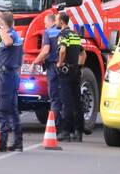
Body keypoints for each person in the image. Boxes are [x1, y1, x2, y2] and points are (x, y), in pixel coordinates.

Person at [0, 11, 24, 152]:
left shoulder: (9, 34)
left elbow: (7, 42)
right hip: (11, 75)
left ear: (2, 22)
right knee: (12, 110)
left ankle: (2, 142)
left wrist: (0, 29)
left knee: (1, 109)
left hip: (5, 77)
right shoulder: (15, 34)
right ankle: (18, 142)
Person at [56, 12, 85, 141]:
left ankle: (66, 131)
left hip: (66, 72)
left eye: (57, 20)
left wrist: (59, 63)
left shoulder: (63, 34)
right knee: (77, 102)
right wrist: (79, 66)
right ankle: (78, 132)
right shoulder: (75, 35)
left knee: (66, 102)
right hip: (76, 72)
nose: (56, 23)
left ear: (62, 22)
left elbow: (62, 50)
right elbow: (83, 54)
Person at [31, 13, 63, 126]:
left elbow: (45, 51)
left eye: (46, 23)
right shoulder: (64, 32)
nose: (45, 26)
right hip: (65, 67)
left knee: (54, 98)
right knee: (64, 96)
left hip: (53, 67)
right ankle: (68, 128)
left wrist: (35, 62)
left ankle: (56, 126)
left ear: (52, 21)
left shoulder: (48, 33)